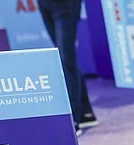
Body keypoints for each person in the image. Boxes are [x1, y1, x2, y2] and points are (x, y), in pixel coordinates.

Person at [39, 0, 97, 133]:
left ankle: (73, 119)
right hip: (44, 4)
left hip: (66, 4)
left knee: (66, 58)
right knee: (64, 58)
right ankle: (85, 113)